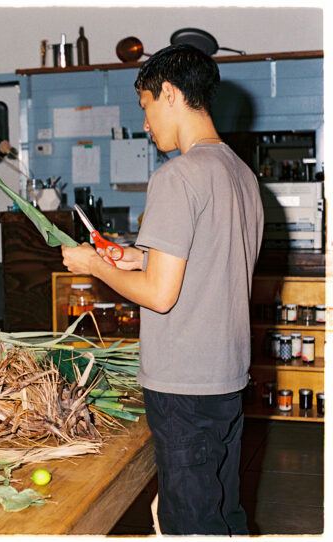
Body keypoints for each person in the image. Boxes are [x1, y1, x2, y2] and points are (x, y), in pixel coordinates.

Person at [61, 44, 263, 535]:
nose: (146, 125)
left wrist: (93, 265)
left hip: (184, 385)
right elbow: (210, 262)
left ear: (169, 94)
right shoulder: (239, 172)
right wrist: (133, 256)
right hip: (227, 376)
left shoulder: (178, 176)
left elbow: (158, 295)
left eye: (146, 107)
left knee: (190, 522)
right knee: (225, 511)